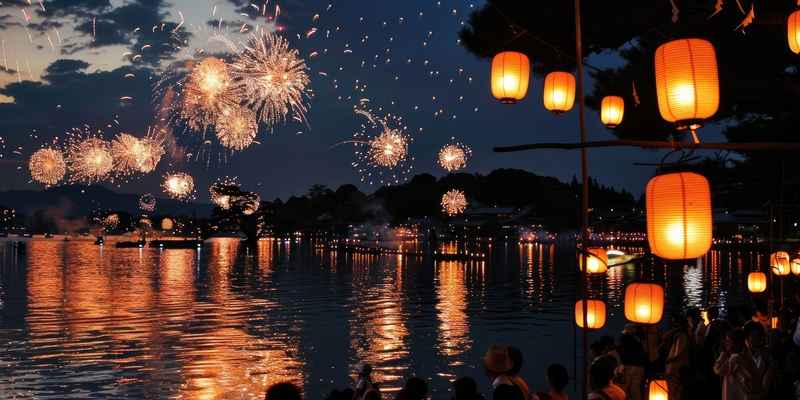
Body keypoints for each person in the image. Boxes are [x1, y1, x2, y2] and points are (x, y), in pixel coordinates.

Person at [713, 328, 748, 400]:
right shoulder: (742, 355)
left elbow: (717, 370)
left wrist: (722, 354)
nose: (726, 343)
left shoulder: (735, 358)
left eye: (728, 340)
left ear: (736, 343)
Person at [663, 313, 690, 400]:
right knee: (675, 391)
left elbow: (677, 353)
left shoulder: (681, 335)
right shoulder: (680, 334)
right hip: (675, 367)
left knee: (673, 391)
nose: (673, 324)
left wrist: (668, 360)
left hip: (675, 367)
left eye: (674, 322)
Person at [615, 333, 646, 400]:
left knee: (623, 389)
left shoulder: (623, 341)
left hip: (628, 366)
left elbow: (621, 354)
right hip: (640, 367)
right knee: (635, 389)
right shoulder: (638, 343)